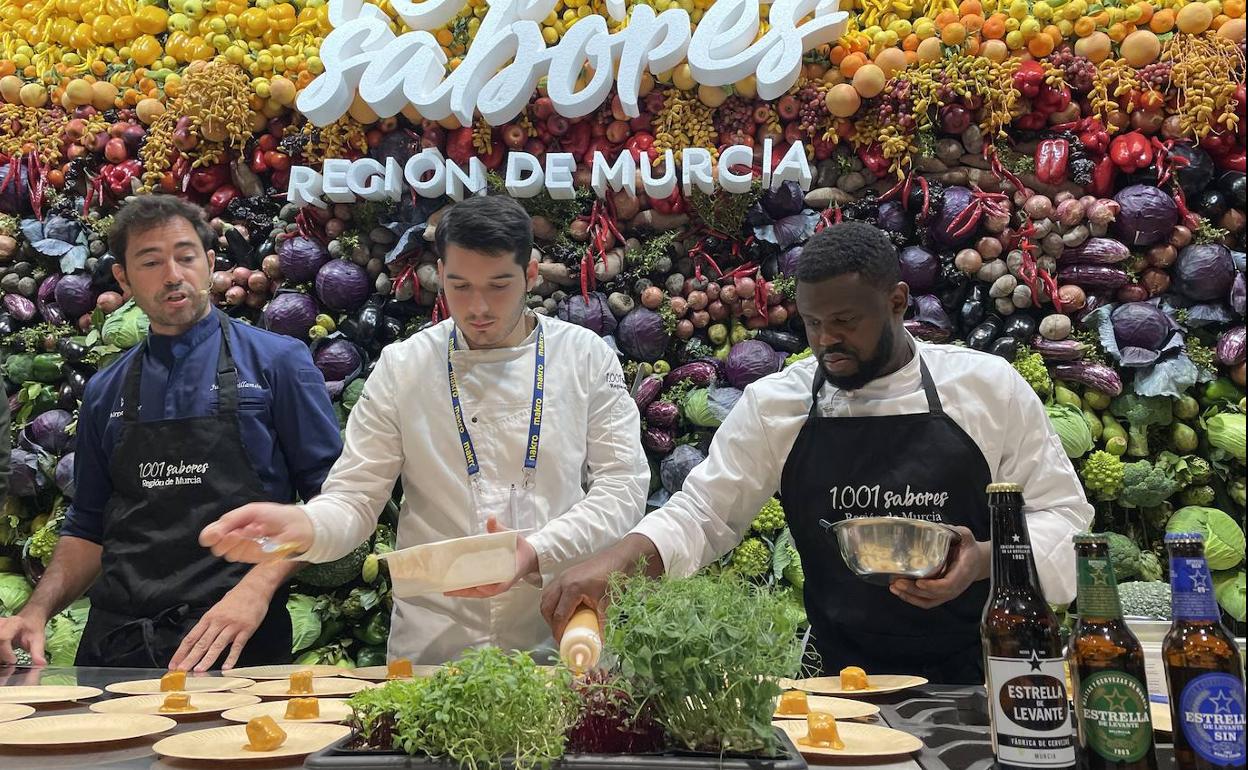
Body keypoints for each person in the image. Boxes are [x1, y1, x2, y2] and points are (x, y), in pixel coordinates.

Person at [540, 221, 1095, 685]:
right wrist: (613, 565)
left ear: (897, 302)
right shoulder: (776, 405)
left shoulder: (986, 388)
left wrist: (986, 562)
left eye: (846, 322)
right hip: (843, 685)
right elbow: (702, 515)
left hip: (993, 678)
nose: (826, 341)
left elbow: (1065, 521)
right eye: (812, 323)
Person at [200, 195, 649, 664]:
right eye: (460, 286)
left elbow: (622, 487)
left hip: (559, 625)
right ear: (441, 279)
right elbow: (354, 499)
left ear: (530, 276)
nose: (478, 307)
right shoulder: (403, 366)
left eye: (499, 286)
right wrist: (306, 525)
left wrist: (535, 551)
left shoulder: (585, 356)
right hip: (435, 640)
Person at [0, 195, 342, 671]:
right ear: (122, 278)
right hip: (116, 646)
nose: (172, 275)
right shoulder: (105, 388)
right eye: (151, 262)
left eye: (185, 257)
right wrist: (35, 612)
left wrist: (258, 588)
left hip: (232, 641)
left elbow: (332, 504)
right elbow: (88, 526)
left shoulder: (277, 363)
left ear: (210, 262)